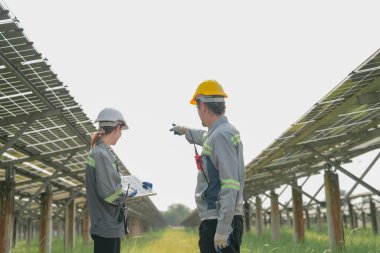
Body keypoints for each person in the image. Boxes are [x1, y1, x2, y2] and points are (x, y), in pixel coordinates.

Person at [170, 80, 245, 253]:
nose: (198, 113)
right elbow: (205, 137)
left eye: (197, 109)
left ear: (202, 106)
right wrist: (184, 131)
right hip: (221, 218)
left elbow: (230, 184)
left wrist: (223, 230)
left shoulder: (221, 136)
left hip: (220, 219)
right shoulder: (221, 132)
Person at [85, 107, 132, 253]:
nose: (121, 135)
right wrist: (129, 193)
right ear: (118, 128)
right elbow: (110, 194)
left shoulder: (102, 152)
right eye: (122, 131)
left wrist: (128, 184)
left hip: (108, 224)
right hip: (106, 224)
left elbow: (108, 181)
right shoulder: (101, 155)